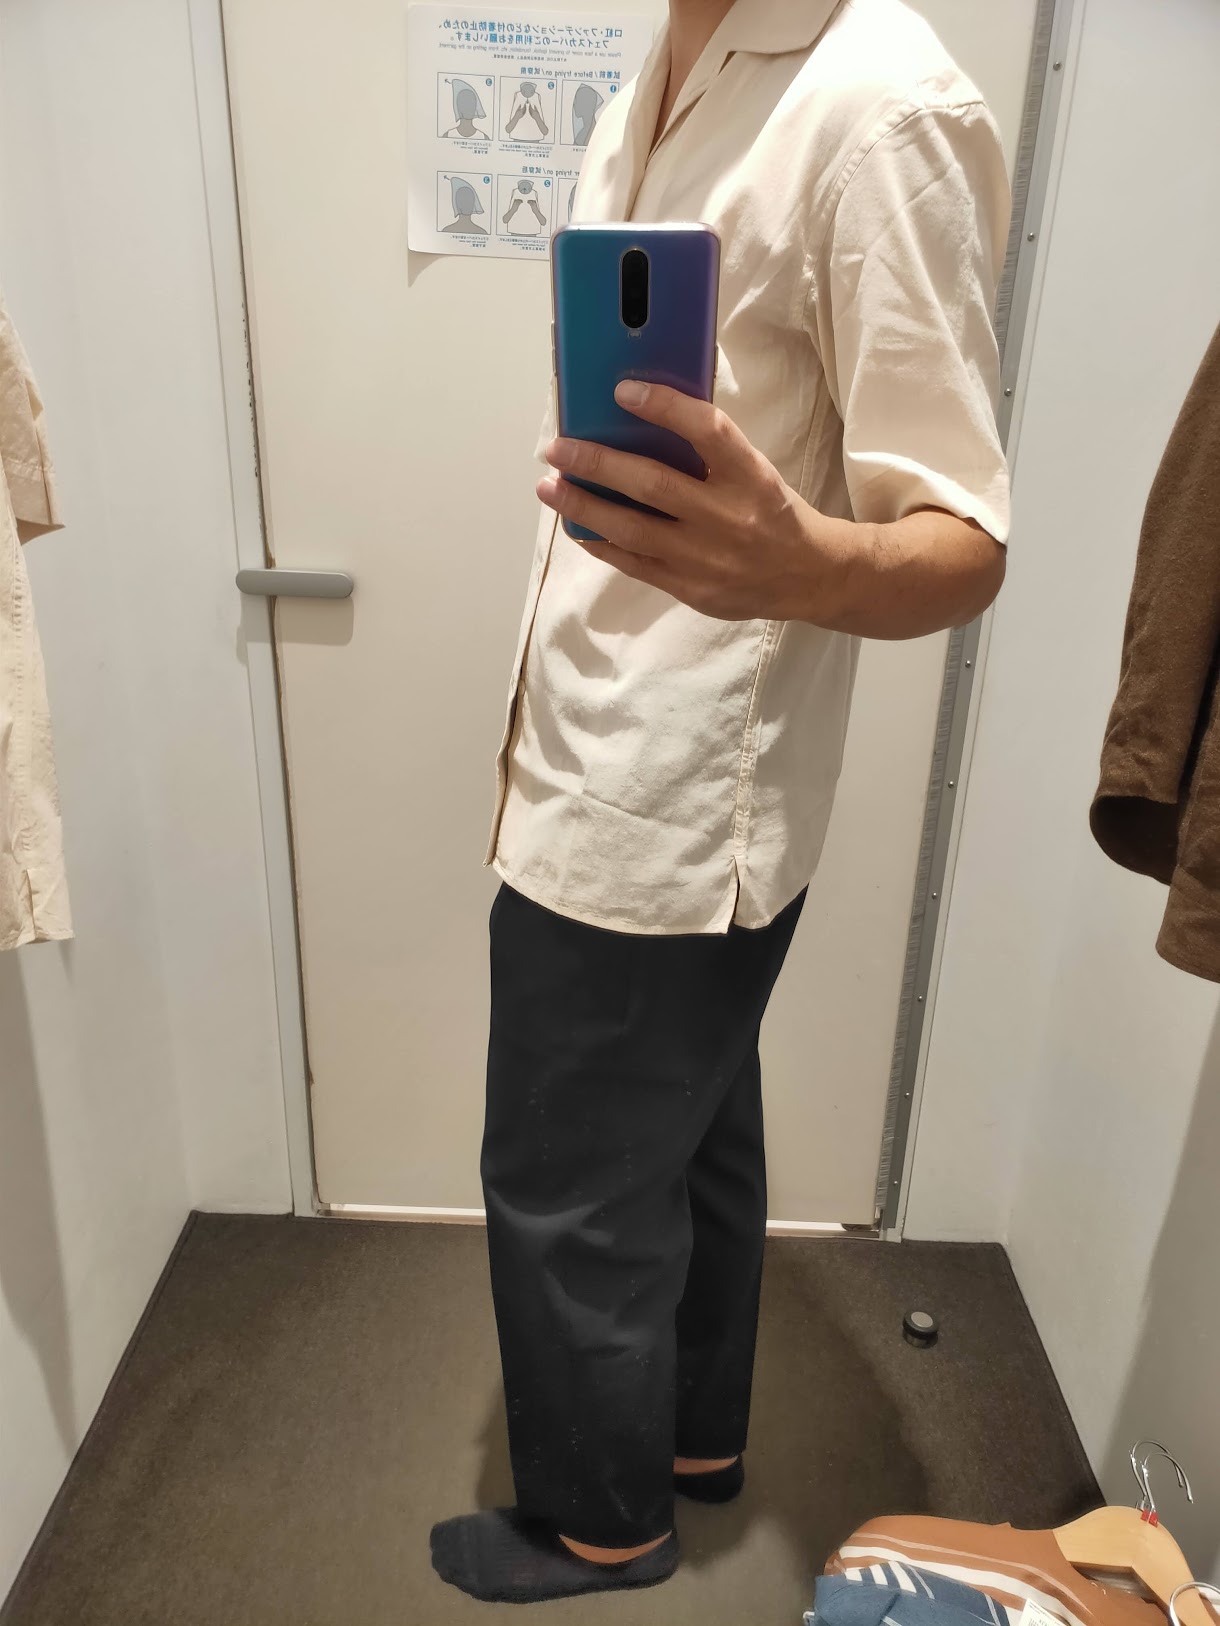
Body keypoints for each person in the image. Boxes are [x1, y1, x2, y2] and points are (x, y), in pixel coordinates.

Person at [430, 0, 1012, 1605]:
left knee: (564, 1176)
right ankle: (687, 1444)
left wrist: (799, 560)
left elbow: (964, 536)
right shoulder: (664, 56)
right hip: (620, 740)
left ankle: (598, 1522)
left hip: (666, 786)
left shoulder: (883, 105)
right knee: (689, 1139)